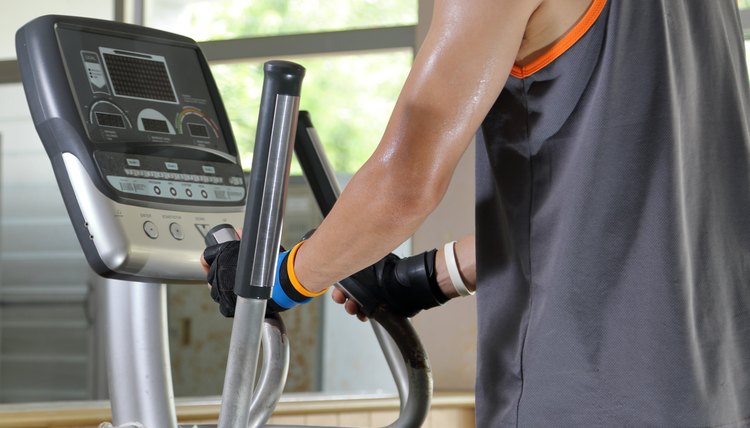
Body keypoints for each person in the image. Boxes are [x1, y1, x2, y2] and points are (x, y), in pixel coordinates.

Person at [203, 0, 750, 425]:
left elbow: (403, 184)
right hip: (717, 394)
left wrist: (277, 280)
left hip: (585, 398)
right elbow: (608, 205)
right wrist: (423, 277)